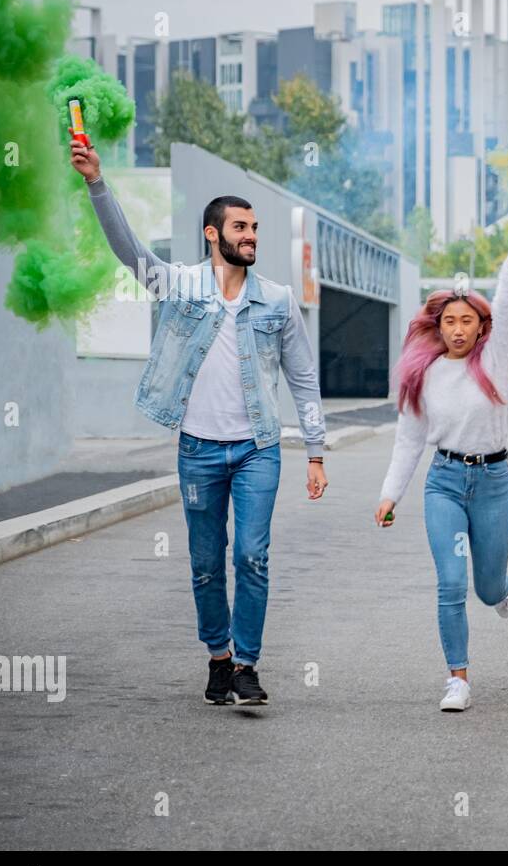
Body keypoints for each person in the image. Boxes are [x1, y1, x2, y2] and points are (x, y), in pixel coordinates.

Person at [71, 139, 328, 707]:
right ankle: (217, 656)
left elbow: (304, 378)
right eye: (240, 227)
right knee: (208, 563)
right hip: (199, 451)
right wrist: (97, 183)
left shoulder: (278, 301)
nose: (251, 235)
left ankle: (246, 664)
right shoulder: (179, 285)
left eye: (255, 227)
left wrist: (314, 449)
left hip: (259, 447)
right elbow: (128, 251)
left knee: (252, 556)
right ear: (213, 234)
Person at [375, 200, 508, 711]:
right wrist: (389, 495)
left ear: (480, 327)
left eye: (468, 321)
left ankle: (503, 588)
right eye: (450, 322)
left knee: (486, 588)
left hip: (492, 484)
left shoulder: (497, 359)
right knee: (449, 581)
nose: (458, 329)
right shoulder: (423, 374)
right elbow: (408, 440)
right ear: (437, 326)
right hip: (443, 483)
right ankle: (458, 679)